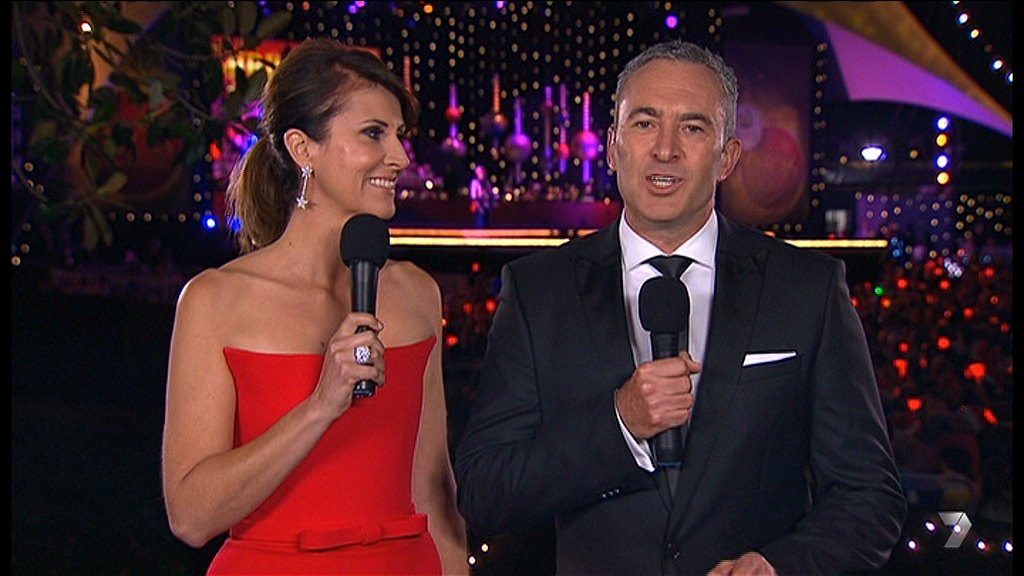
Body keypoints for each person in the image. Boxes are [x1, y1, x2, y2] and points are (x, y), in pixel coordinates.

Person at [454, 40, 906, 575]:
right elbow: (485, 492)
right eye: (645, 123)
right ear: (613, 146)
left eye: (692, 128)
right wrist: (620, 424)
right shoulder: (538, 291)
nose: (665, 149)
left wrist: (778, 566)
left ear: (727, 157)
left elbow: (869, 496)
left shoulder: (806, 288)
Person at [161, 38, 468, 575]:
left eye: (399, 135)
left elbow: (434, 491)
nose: (400, 157)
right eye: (373, 133)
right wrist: (321, 405)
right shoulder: (215, 302)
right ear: (303, 149)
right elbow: (190, 516)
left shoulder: (416, 293)